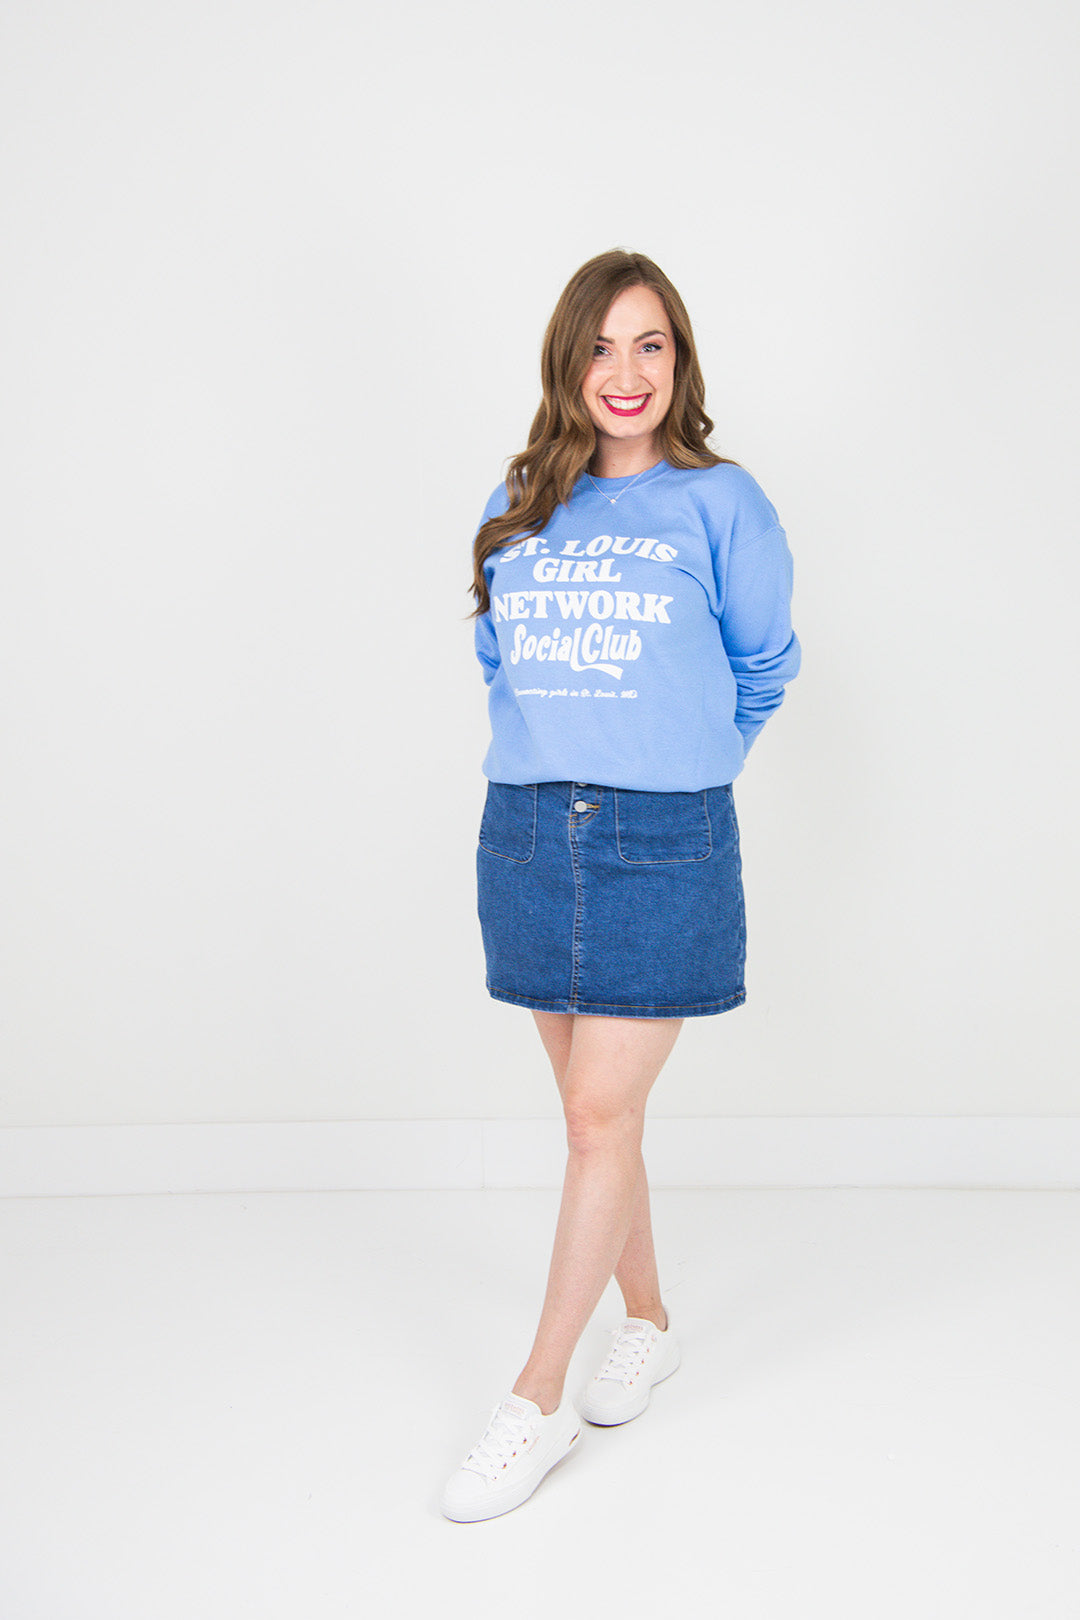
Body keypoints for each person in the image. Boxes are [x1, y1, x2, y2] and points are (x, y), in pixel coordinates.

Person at [440, 249, 801, 1523]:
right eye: (601, 346)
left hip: (663, 842)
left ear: (680, 360)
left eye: (650, 345)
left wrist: (685, 766)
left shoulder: (722, 502)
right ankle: (645, 1319)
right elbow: (499, 657)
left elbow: (764, 665)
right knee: (602, 1124)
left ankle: (535, 1406)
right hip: (533, 836)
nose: (626, 372)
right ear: (567, 362)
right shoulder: (521, 497)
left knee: (598, 1118)